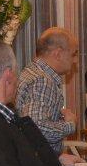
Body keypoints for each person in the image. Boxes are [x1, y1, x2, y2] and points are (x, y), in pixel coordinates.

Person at [15, 27, 79, 155]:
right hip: (40, 163)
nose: (75, 60)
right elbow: (37, 129)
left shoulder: (32, 70)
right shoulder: (42, 81)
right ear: (58, 54)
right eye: (73, 54)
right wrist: (70, 124)